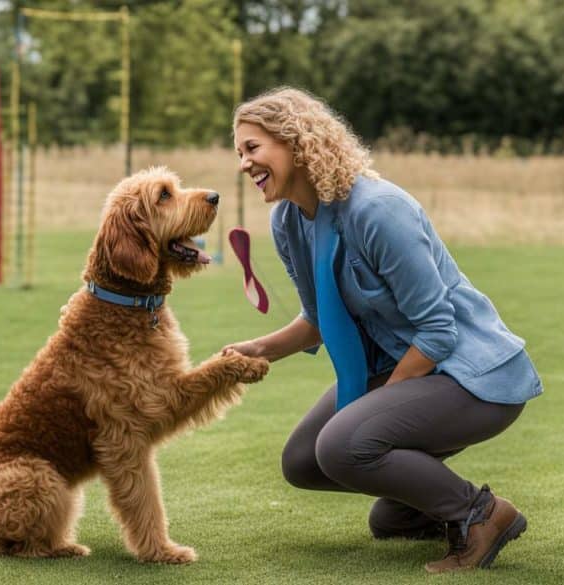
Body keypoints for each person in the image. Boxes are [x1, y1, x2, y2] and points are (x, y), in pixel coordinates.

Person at [223, 87, 543, 573]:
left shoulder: (377, 209)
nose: (244, 163)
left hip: (473, 376)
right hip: (416, 369)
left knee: (344, 445)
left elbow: (438, 330)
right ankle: (425, 505)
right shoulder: (288, 222)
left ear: (296, 141)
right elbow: (318, 320)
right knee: (304, 462)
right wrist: (258, 349)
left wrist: (378, 414)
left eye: (252, 148)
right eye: (239, 152)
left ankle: (481, 515)